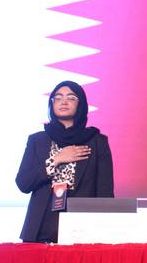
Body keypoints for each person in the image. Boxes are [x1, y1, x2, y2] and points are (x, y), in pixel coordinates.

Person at [16, 80, 114, 243]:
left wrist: (103, 233)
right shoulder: (37, 140)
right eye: (58, 97)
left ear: (81, 105)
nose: (64, 101)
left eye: (71, 97)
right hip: (41, 228)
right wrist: (56, 160)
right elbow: (23, 183)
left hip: (83, 228)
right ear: (52, 104)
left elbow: (105, 193)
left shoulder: (97, 142)